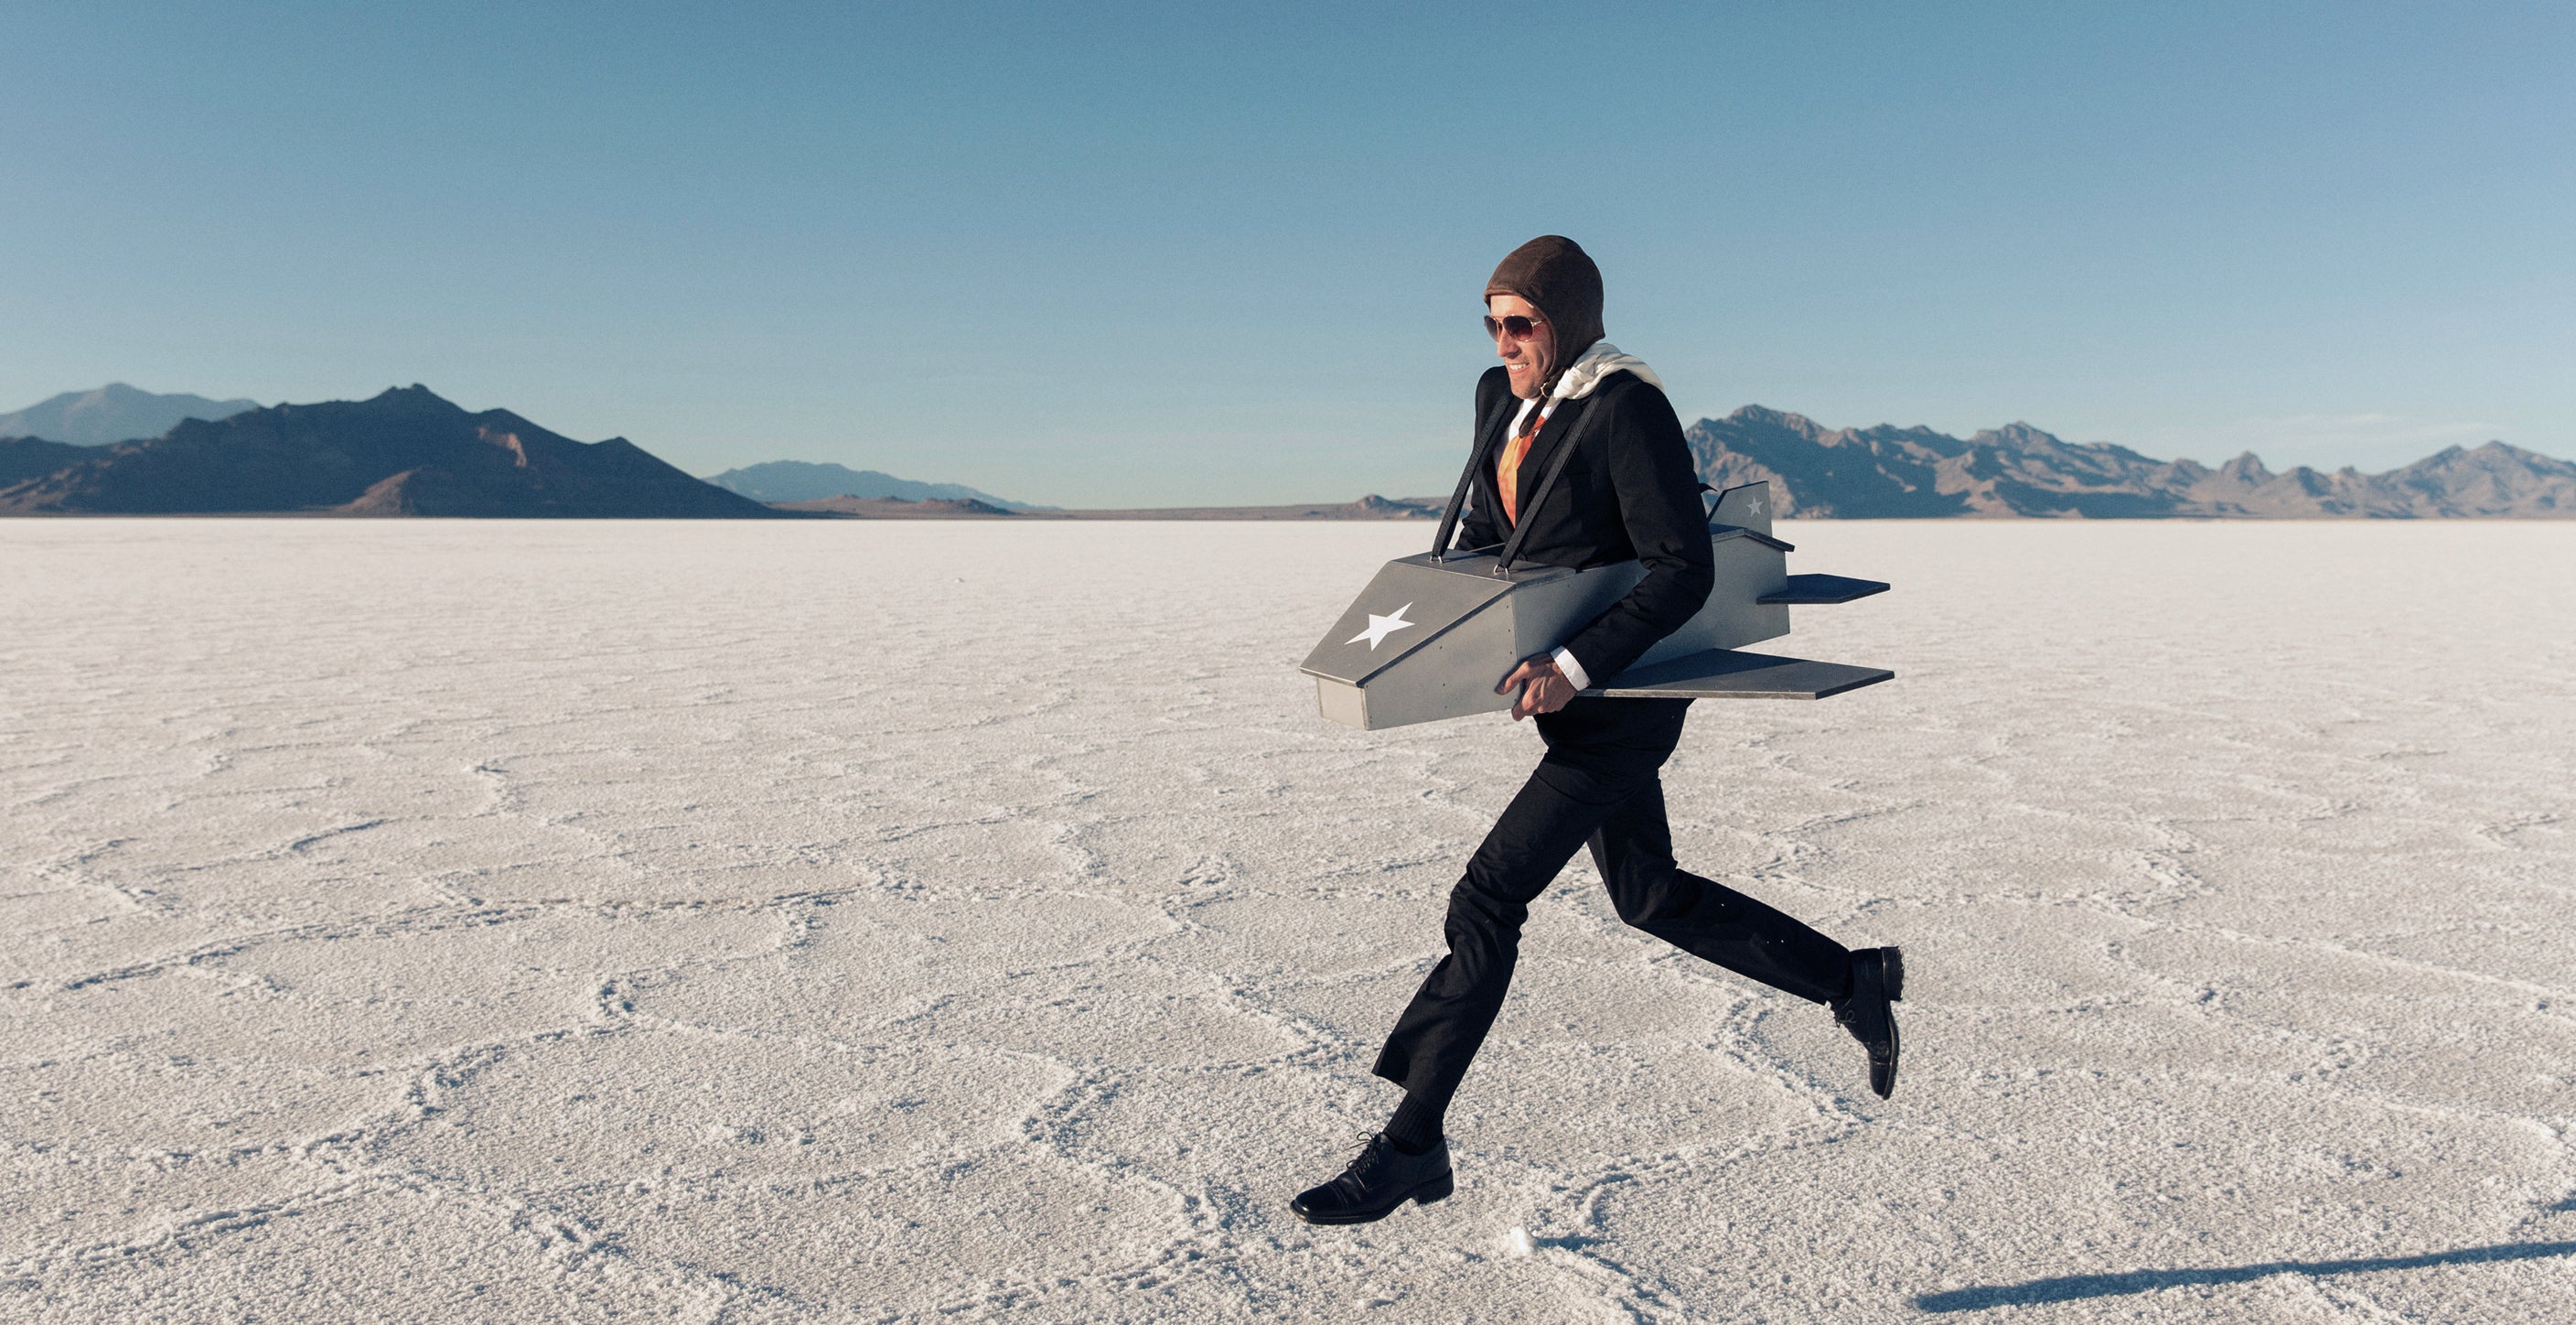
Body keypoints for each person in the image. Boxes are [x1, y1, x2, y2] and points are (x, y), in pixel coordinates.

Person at [1289, 236, 1904, 1227]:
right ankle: (1850, 976)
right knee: (1646, 893)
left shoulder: (1628, 410)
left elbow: (1681, 569)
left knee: (1486, 897)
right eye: (1490, 325)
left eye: (1519, 323)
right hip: (1561, 692)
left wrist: (1572, 666)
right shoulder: (1499, 400)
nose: (1503, 343)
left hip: (1622, 702)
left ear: (1566, 317)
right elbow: (1502, 534)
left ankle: (1411, 1144)